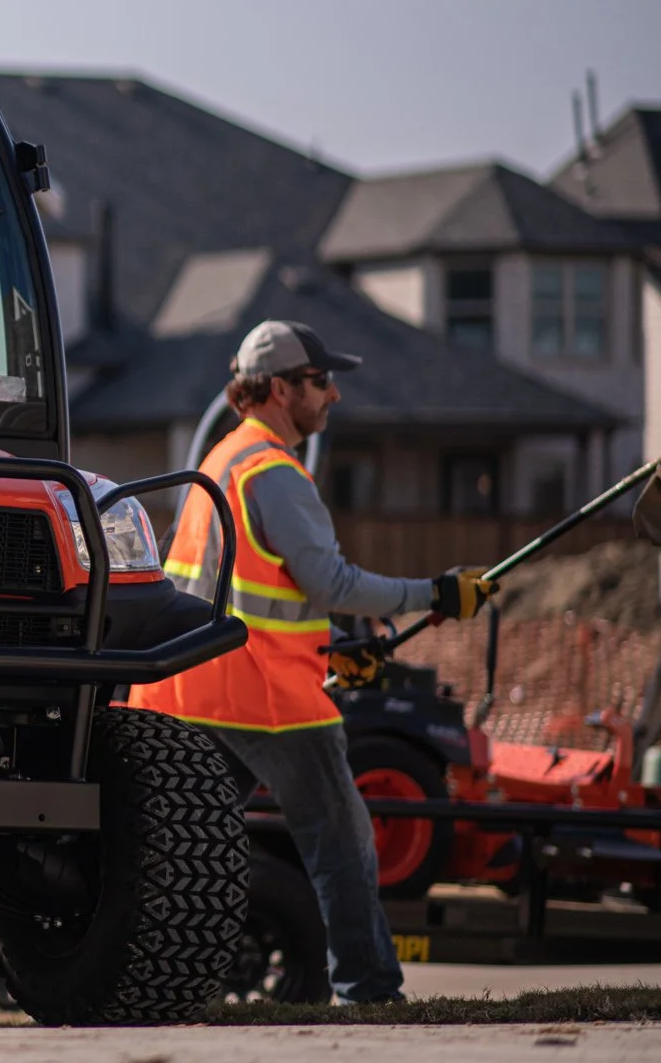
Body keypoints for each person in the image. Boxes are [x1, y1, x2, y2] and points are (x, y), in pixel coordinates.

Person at [131, 319, 493, 1005]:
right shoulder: (274, 472)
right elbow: (330, 584)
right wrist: (435, 592)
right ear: (275, 389)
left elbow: (249, 591)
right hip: (268, 699)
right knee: (344, 842)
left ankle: (157, 985)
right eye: (321, 381)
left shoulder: (221, 461)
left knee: (184, 850)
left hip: (194, 688)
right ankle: (370, 990)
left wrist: (335, 648)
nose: (334, 397)